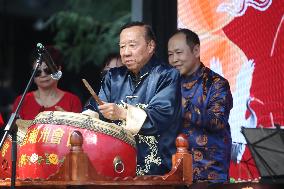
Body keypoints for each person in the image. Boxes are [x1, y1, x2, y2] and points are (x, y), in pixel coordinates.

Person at [84, 22, 182, 176]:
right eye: (122, 47)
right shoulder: (113, 77)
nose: (125, 53)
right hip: (116, 167)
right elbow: (95, 109)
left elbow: (161, 116)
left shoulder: (167, 75)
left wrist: (122, 113)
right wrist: (85, 117)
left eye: (132, 45)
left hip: (156, 172)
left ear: (150, 46)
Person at [168, 29, 233, 183]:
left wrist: (183, 105)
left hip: (209, 173)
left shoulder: (216, 84)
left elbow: (217, 122)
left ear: (196, 50)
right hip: (174, 171)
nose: (174, 59)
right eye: (170, 54)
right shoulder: (170, 84)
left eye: (178, 52)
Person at [13, 46, 82, 120]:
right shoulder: (21, 101)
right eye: (37, 72)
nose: (43, 75)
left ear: (58, 69)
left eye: (48, 70)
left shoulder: (72, 101)